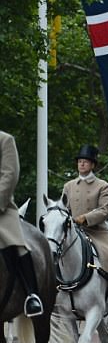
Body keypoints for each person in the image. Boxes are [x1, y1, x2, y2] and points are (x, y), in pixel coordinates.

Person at [63, 145, 108, 311]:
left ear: (92, 165)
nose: (81, 164)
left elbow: (106, 209)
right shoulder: (69, 186)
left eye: (85, 162)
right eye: (80, 161)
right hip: (73, 231)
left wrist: (86, 218)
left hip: (97, 231)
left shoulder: (102, 185)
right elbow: (64, 208)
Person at [0, 131, 44, 317]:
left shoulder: (5, 140)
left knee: (17, 245)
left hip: (2, 210)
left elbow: (10, 174)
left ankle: (31, 295)